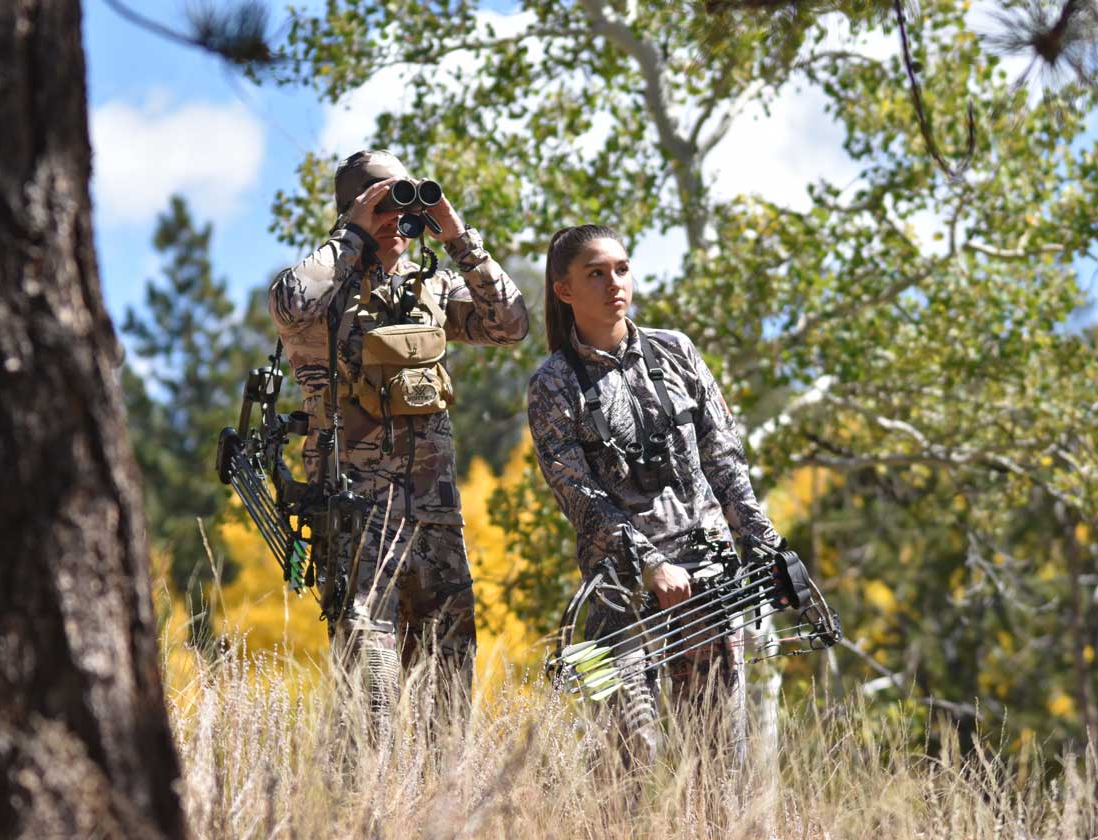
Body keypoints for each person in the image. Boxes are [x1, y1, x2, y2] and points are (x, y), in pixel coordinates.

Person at [269, 150, 529, 727]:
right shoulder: (324, 293)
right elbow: (288, 304)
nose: (399, 219)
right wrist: (352, 235)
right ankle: (358, 812)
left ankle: (438, 815)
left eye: (405, 202)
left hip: (435, 515)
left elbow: (509, 323)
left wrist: (459, 235)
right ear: (354, 210)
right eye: (384, 204)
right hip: (357, 513)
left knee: (449, 685)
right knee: (373, 692)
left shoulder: (429, 286)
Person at [526, 224, 786, 765]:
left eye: (621, 269)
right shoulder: (552, 383)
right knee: (629, 755)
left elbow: (724, 459)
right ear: (564, 290)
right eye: (595, 274)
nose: (613, 284)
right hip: (620, 591)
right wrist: (647, 564)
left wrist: (765, 545)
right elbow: (579, 496)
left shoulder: (677, 351)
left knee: (716, 753)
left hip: (708, 579)